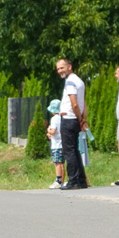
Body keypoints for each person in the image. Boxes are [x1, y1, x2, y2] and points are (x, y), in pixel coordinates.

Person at [55, 59, 88, 190]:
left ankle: (73, 180)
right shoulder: (79, 81)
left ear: (69, 66)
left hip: (69, 118)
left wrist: (80, 118)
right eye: (58, 69)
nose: (60, 71)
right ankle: (81, 180)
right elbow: (83, 103)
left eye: (62, 67)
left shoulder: (70, 82)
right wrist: (82, 119)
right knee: (75, 150)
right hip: (74, 119)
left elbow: (75, 104)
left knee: (69, 151)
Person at [45, 99, 64, 189]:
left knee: (57, 163)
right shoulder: (62, 118)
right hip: (62, 143)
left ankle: (58, 180)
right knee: (62, 163)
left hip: (56, 145)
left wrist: (48, 130)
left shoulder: (54, 119)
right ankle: (62, 181)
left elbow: (53, 131)